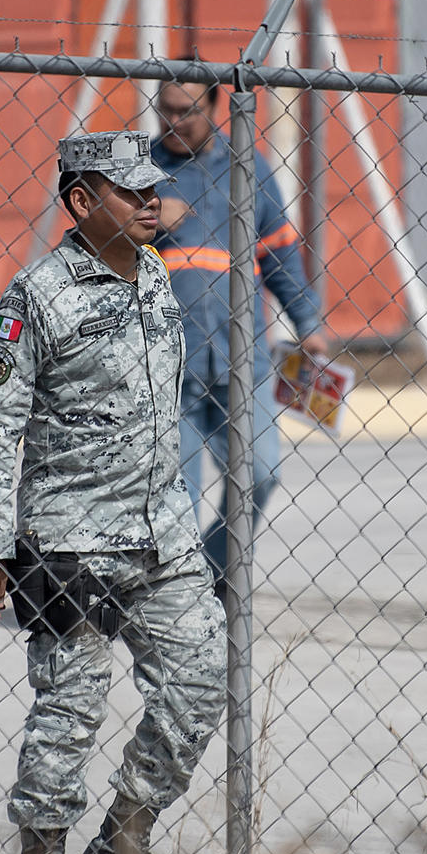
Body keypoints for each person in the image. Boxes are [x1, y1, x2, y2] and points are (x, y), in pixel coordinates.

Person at [0, 130, 226, 854]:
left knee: (201, 679)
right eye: (131, 190)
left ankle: (117, 852)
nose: (152, 201)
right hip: (69, 533)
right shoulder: (37, 296)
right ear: (81, 202)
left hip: (161, 529)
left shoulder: (154, 276)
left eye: (154, 189)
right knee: (71, 707)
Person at [150, 70, 327, 587]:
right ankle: (178, 596)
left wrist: (308, 322)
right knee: (173, 493)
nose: (174, 122)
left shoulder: (248, 168)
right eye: (166, 109)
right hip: (167, 364)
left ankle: (203, 573)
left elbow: (279, 254)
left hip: (241, 357)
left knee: (261, 475)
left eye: (187, 110)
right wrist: (144, 212)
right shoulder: (142, 170)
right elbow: (94, 235)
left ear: (215, 106)